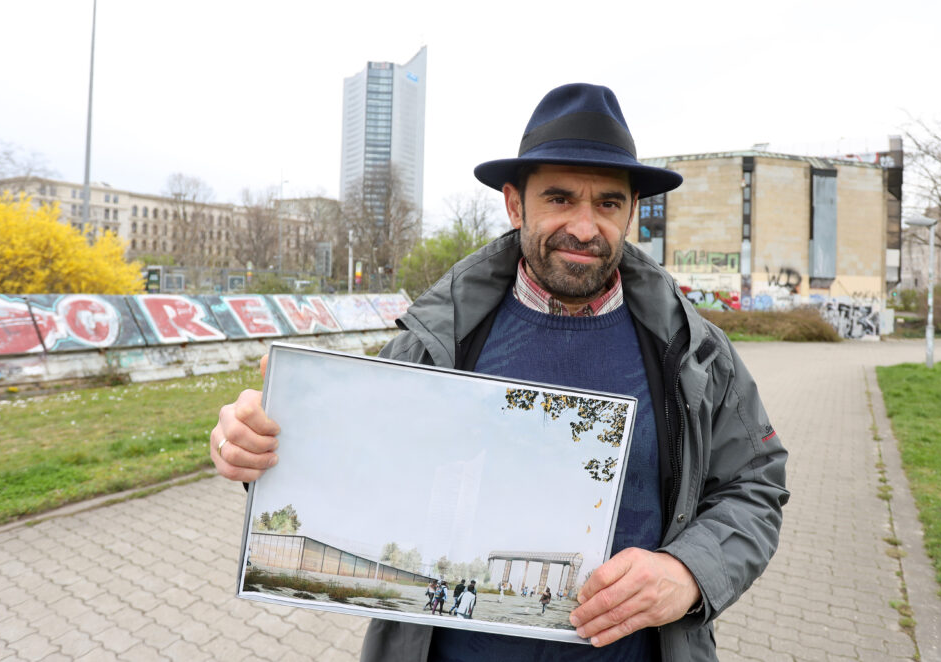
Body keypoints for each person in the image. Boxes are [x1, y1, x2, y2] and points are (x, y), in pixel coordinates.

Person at [211, 83, 788, 662]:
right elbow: (352, 466)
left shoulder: (694, 352)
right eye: (560, 199)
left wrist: (688, 573)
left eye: (608, 204)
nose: (586, 228)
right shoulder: (440, 339)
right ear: (515, 205)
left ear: (633, 211)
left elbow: (756, 484)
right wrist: (257, 447)